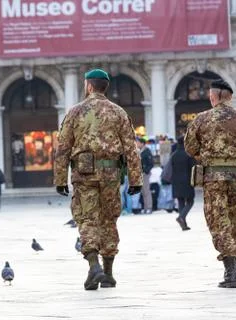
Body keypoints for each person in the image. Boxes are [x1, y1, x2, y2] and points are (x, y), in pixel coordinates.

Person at [54, 68, 142, 291]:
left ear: (89, 86)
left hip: (84, 175)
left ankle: (94, 266)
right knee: (108, 220)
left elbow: (62, 148)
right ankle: (109, 273)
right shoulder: (119, 112)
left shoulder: (75, 112)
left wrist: (60, 179)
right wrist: (135, 180)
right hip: (111, 174)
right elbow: (131, 149)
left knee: (87, 219)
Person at [185, 79, 236, 289]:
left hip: (214, 178)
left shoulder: (202, 119)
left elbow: (190, 147)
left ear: (213, 96)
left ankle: (230, 269)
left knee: (218, 220)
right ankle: (234, 260)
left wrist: (208, 157)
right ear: (230, 96)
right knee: (235, 218)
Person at [169, 136, 195, 231]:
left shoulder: (174, 154)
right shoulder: (188, 155)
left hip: (176, 181)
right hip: (187, 181)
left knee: (180, 201)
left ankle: (183, 223)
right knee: (190, 201)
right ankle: (181, 217)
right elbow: (193, 168)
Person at [137, 138, 153, 214]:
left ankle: (149, 207)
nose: (137, 144)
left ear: (142, 143)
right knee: (143, 191)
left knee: (146, 190)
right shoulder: (139, 151)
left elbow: (151, 163)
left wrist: (146, 171)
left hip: (145, 174)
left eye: (138, 143)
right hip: (139, 173)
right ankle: (145, 207)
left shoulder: (147, 151)